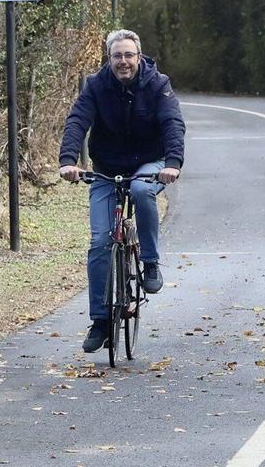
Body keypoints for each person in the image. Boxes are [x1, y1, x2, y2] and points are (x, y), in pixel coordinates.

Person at [59, 29, 185, 353]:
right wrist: (68, 160)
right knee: (100, 241)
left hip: (150, 162)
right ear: (109, 59)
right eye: (117, 56)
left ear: (139, 57)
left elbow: (172, 123)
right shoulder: (96, 85)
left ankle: (150, 262)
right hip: (107, 166)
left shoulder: (158, 84)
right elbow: (77, 121)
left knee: (142, 190)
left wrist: (173, 163)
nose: (123, 61)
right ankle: (101, 321)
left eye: (129, 55)